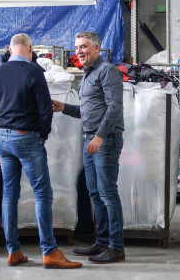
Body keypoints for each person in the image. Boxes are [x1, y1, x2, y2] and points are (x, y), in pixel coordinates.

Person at [0, 33, 82, 269]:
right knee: (42, 194)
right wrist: (42, 136)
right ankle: (49, 251)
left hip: (3, 139)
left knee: (9, 195)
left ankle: (13, 251)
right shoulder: (34, 72)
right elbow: (45, 111)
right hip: (26, 137)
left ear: (10, 49)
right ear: (29, 50)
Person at [51, 31, 125, 263]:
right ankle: (102, 242)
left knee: (108, 193)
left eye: (83, 47)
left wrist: (100, 137)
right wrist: (64, 107)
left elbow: (114, 108)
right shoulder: (87, 76)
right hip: (90, 140)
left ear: (96, 48)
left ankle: (116, 247)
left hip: (105, 140)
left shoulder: (107, 71)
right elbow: (87, 111)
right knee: (96, 193)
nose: (79, 51)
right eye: (76, 48)